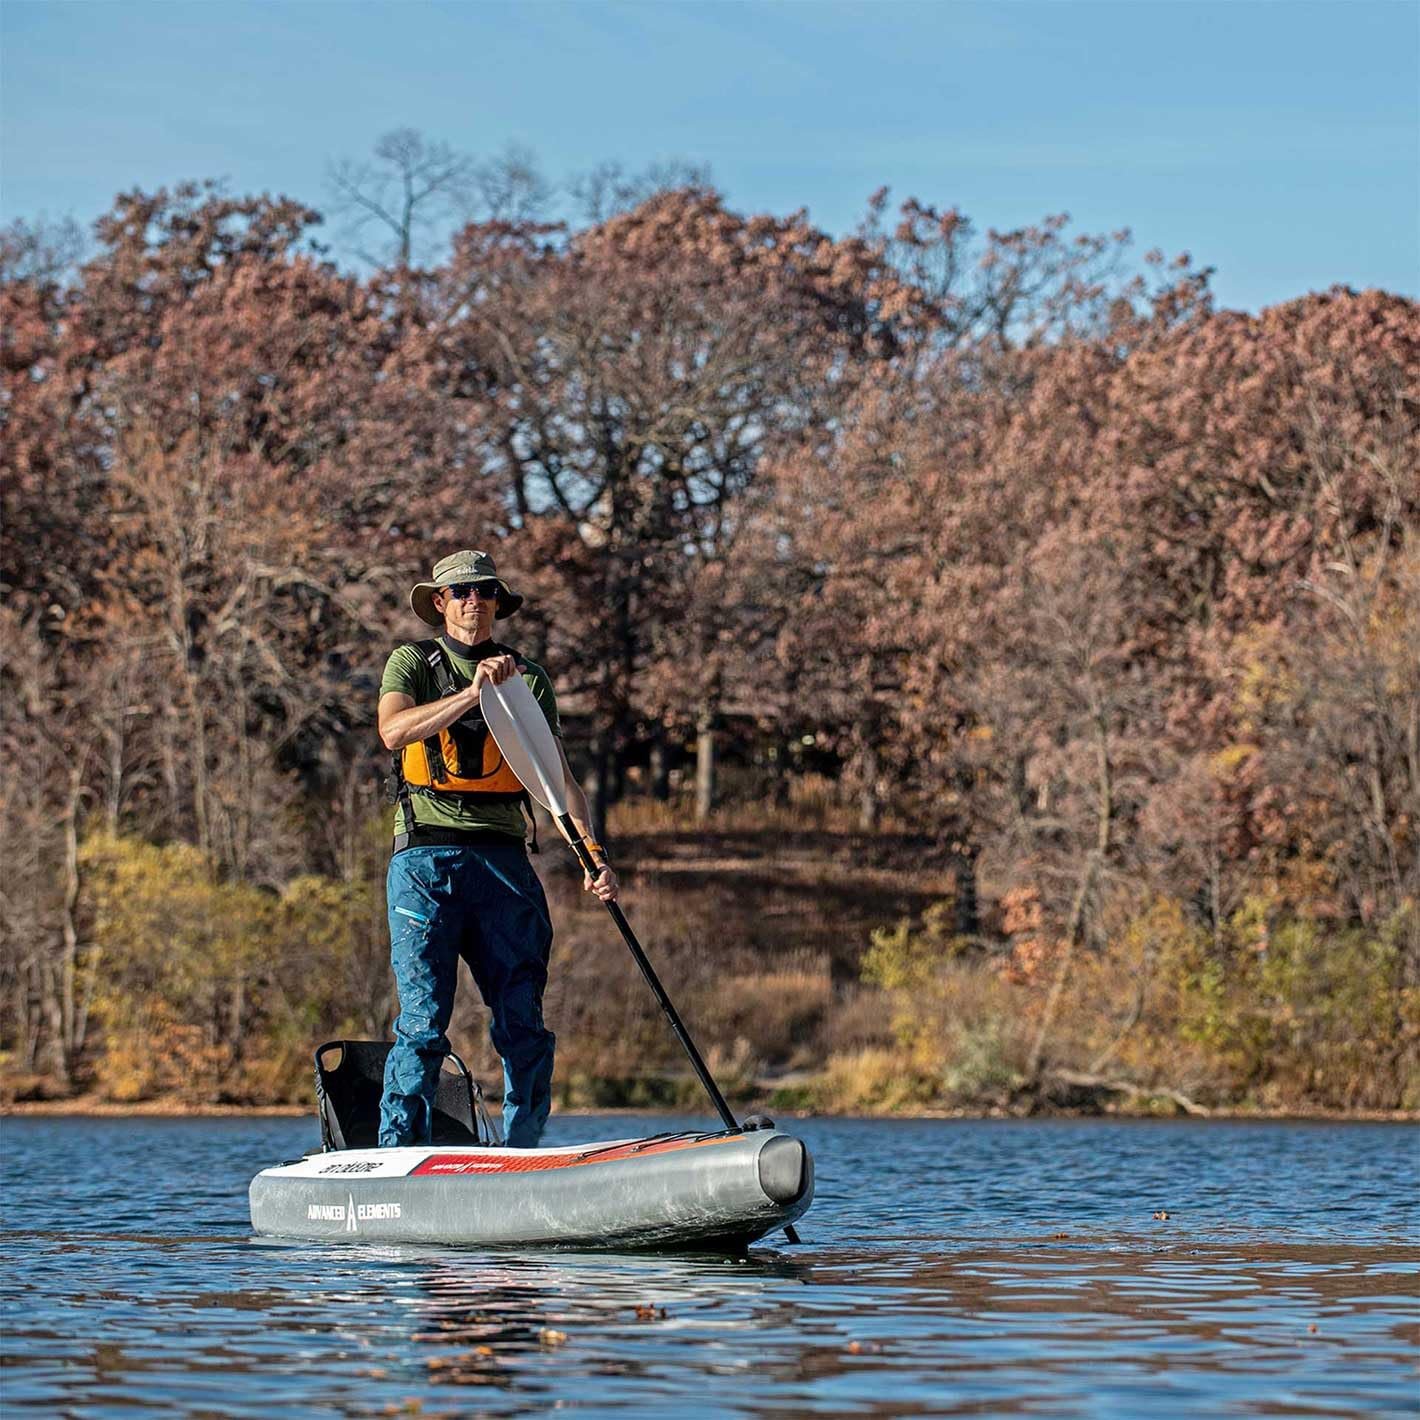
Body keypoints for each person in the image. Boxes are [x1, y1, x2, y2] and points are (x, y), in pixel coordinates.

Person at [376, 549, 618, 1148]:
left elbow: (557, 781)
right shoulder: (412, 663)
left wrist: (592, 853)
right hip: (425, 862)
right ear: (439, 602)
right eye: (460, 593)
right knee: (425, 1022)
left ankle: (523, 1150)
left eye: (484, 592)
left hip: (504, 863)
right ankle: (397, 1150)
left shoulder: (528, 677)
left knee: (522, 1024)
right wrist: (472, 693)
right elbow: (392, 731)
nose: (472, 602)